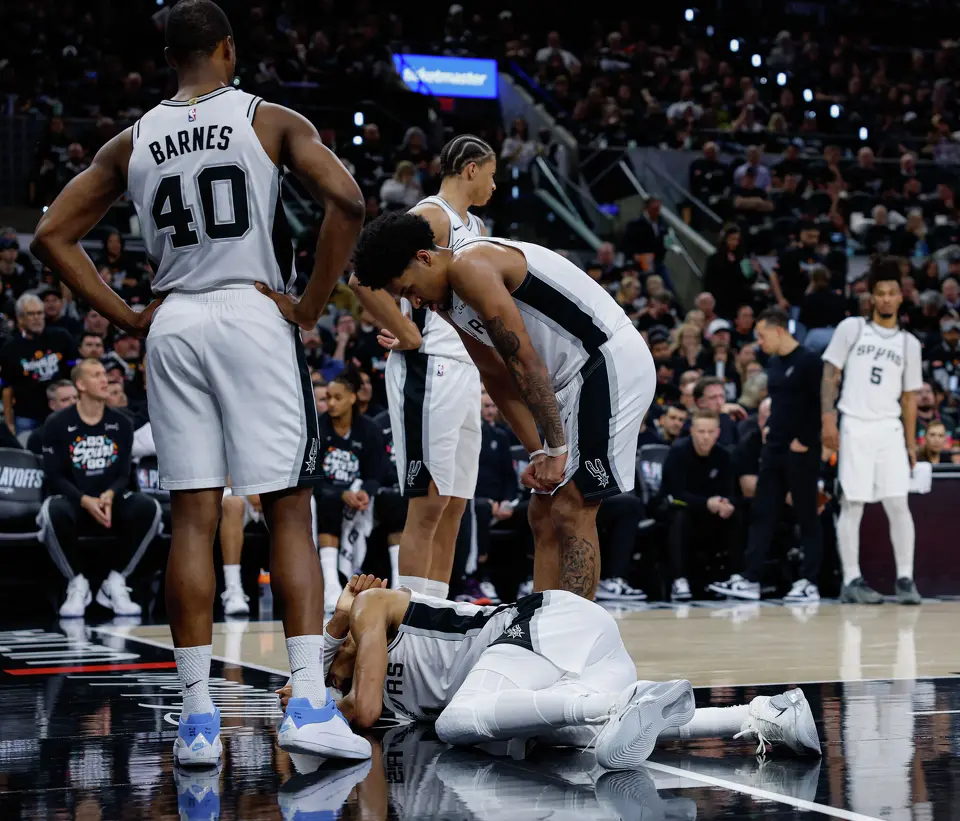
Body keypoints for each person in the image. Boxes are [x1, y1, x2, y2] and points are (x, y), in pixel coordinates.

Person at [30, 0, 370, 767]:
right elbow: (347, 199)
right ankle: (310, 702)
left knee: (192, 513)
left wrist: (126, 314)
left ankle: (194, 719)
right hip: (251, 310)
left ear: (170, 58)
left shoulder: (133, 137)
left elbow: (53, 233)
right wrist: (312, 303)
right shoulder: (268, 118)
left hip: (175, 319)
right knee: (287, 503)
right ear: (226, 49)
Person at [352, 212, 655, 600]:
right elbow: (495, 376)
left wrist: (558, 451)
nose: (414, 301)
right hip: (571, 379)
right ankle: (543, 627)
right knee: (542, 513)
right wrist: (539, 451)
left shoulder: (470, 266)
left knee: (570, 507)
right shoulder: (447, 302)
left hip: (606, 360)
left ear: (425, 258)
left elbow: (524, 361)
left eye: (410, 288)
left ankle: (577, 638)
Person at [278, 575, 822, 767]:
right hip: (568, 659)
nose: (340, 672)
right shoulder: (392, 694)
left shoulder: (374, 609)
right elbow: (360, 703)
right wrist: (318, 689)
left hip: (542, 623)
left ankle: (617, 704)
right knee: (584, 741)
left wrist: (337, 628)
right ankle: (765, 715)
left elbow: (362, 710)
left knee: (456, 726)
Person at [349, 135, 496, 601]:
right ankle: (407, 626)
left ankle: (435, 613)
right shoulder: (431, 216)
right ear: (470, 169)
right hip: (427, 368)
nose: (495, 184)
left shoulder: (477, 224)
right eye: (492, 174)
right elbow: (362, 276)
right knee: (427, 503)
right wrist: (406, 330)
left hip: (465, 369)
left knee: (454, 505)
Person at [821, 258, 923, 605]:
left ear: (900, 298)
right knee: (853, 503)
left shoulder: (910, 343)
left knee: (898, 503)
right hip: (854, 423)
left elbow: (909, 398)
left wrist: (911, 444)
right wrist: (828, 419)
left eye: (892, 293)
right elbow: (829, 375)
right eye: (880, 293)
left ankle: (906, 579)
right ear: (872, 298)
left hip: (889, 428)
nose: (886, 299)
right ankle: (852, 579)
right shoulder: (852, 328)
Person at [709, 308, 824, 602]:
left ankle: (809, 581)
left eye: (762, 334)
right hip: (773, 450)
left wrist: (807, 440)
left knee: (806, 516)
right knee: (762, 513)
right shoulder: (773, 363)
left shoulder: (810, 361)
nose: (759, 341)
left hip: (801, 452)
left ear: (780, 330)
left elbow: (821, 405)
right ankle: (750, 578)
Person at [39, 359, 163, 619]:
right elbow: (54, 476)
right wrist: (84, 500)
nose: (104, 379)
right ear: (81, 385)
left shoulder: (121, 422)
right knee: (52, 510)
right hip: (75, 500)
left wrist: (109, 495)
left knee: (149, 508)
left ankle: (115, 582)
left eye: (104, 374)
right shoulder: (57, 423)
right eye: (96, 375)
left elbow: (123, 474)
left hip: (110, 501)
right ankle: (77, 583)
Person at [314, 370, 386, 612]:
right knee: (328, 502)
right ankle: (331, 585)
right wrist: (339, 493)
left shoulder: (370, 430)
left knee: (394, 503)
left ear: (353, 398)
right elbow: (311, 476)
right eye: (327, 398)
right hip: (323, 495)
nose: (331, 403)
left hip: (358, 497)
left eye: (337, 398)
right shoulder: (318, 428)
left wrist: (366, 491)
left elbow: (377, 473)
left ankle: (395, 582)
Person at [662, 410, 738, 602]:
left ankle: (733, 577)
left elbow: (730, 490)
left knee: (736, 515)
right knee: (680, 516)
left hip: (710, 510)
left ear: (717, 433)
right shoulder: (678, 452)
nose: (706, 437)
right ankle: (679, 580)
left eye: (710, 432)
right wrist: (706, 503)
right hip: (677, 507)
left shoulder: (723, 455)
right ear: (692, 431)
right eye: (701, 431)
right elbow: (676, 492)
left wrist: (727, 503)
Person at [0, 293, 79, 438]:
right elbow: (7, 389)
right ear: (20, 318)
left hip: (63, 411)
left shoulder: (61, 337)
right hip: (28, 416)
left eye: (40, 313)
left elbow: (75, 372)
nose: (37, 318)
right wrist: (9, 424)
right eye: (31, 314)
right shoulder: (10, 348)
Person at [26, 379, 79, 454]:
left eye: (75, 398)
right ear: (52, 405)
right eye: (65, 400)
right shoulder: (39, 437)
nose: (73, 402)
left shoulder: (91, 429)